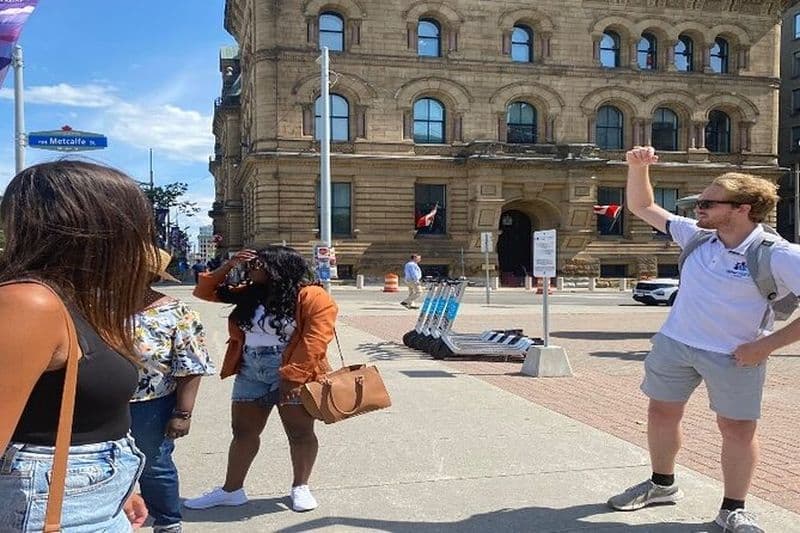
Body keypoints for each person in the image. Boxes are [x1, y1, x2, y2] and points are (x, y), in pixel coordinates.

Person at [607, 146, 800, 532]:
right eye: (698, 202)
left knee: (737, 430)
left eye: (709, 203)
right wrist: (636, 167)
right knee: (661, 412)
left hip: (735, 354)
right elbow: (643, 206)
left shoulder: (779, 254)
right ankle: (662, 484)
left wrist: (765, 346)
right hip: (675, 344)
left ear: (743, 208)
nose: (699, 208)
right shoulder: (696, 237)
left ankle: (733, 509)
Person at [0, 160, 156, 532]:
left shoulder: (72, 301)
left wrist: (120, 488)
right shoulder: (30, 302)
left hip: (89, 500)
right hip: (50, 510)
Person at [184, 246, 337, 513]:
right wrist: (228, 265)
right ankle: (232, 490)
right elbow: (204, 291)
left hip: (291, 368)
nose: (251, 269)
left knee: (300, 432)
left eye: (258, 265)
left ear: (277, 268)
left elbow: (316, 340)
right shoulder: (251, 293)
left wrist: (293, 377)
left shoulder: (312, 295)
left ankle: (300, 487)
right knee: (243, 432)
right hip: (250, 369)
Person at [129, 248, 216, 533]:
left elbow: (191, 366)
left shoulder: (176, 312)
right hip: (101, 406)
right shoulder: (97, 306)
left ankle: (167, 522)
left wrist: (183, 413)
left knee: (154, 466)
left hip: (150, 406)